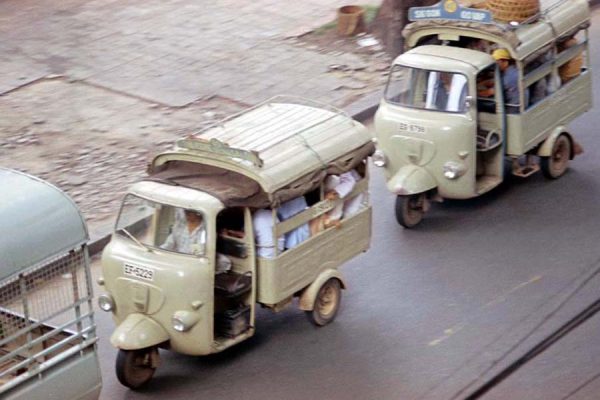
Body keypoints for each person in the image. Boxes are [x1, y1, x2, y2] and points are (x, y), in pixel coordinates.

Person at [479, 49, 528, 113]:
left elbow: (489, 93)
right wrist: (481, 84)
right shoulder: (512, 70)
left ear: (505, 62)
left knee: (481, 106)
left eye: (497, 62)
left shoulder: (509, 77)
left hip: (513, 110)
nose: (495, 65)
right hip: (515, 103)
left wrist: (474, 92)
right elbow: (493, 81)